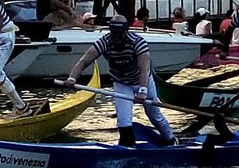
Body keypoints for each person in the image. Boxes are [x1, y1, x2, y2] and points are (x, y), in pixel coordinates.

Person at [63, 13, 176, 148]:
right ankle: (127, 148)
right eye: (114, 33)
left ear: (126, 31)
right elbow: (83, 62)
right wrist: (72, 78)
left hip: (142, 81)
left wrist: (143, 91)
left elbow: (144, 69)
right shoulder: (104, 42)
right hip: (121, 83)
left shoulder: (138, 43)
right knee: (123, 120)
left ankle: (170, 140)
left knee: (155, 116)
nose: (116, 37)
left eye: (120, 33)